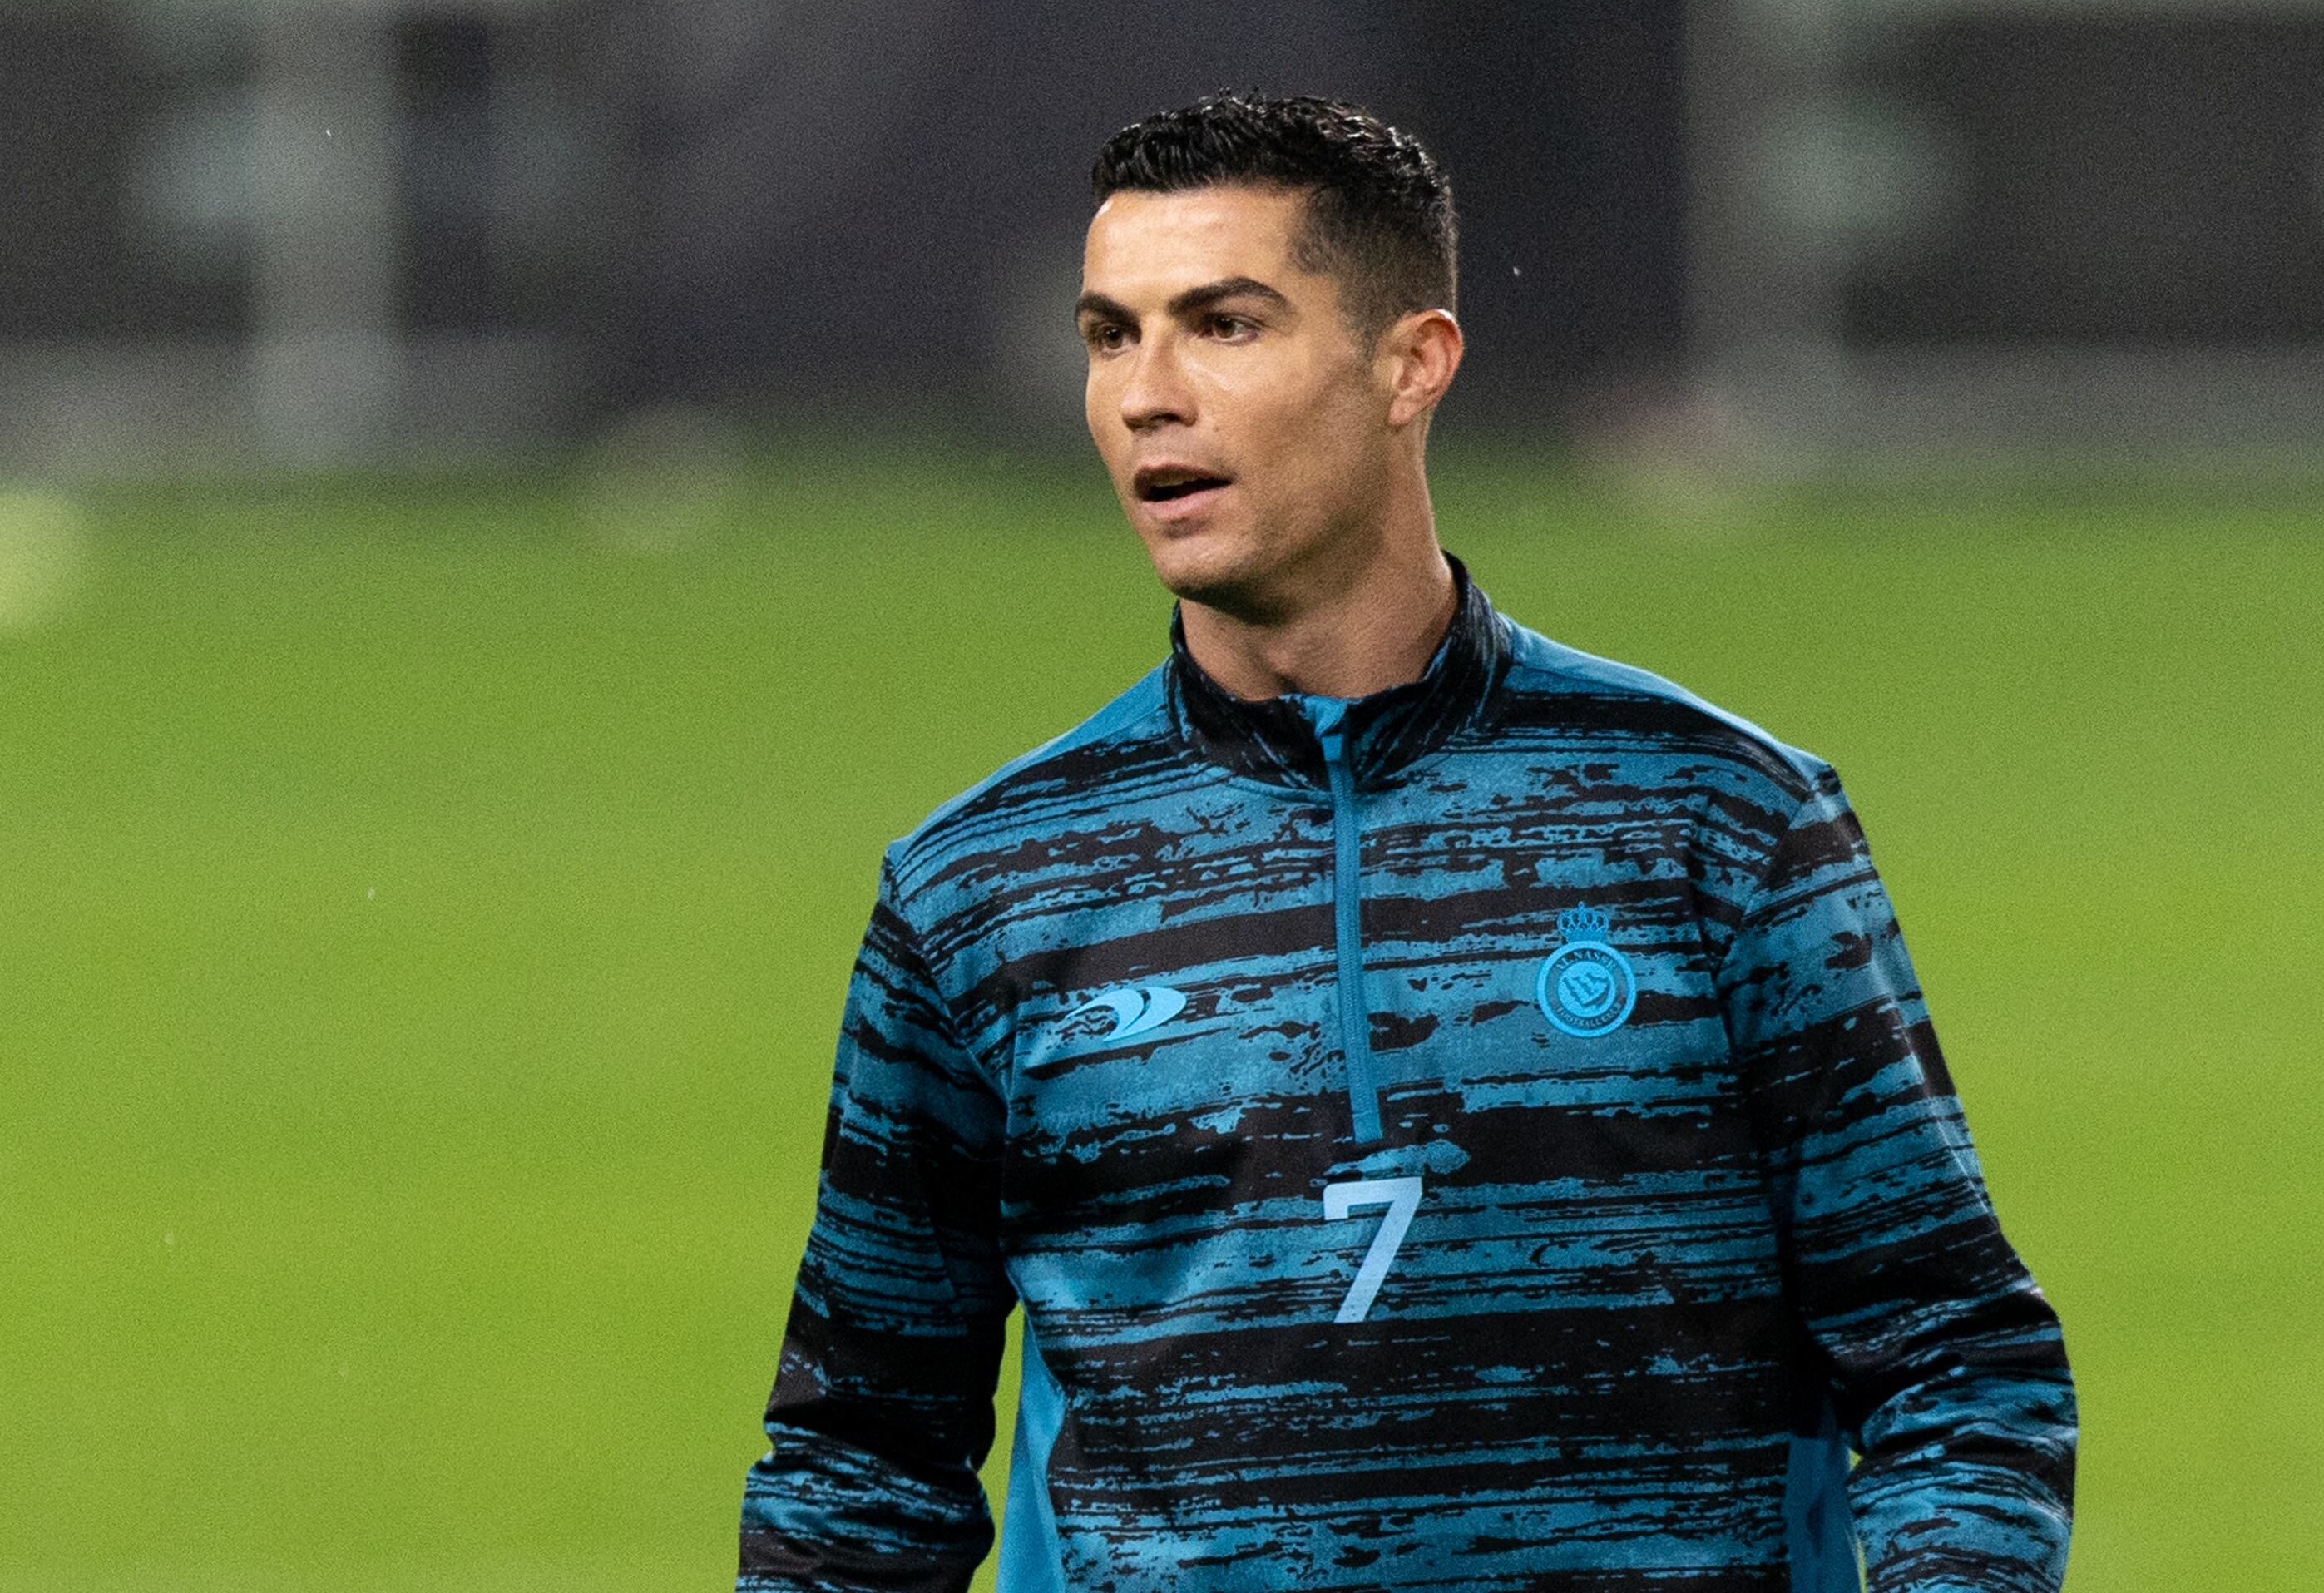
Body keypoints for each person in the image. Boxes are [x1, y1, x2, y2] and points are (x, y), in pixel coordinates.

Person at [738, 92, 2076, 1593]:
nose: (1146, 395)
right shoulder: (984, 891)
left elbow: (1953, 1355)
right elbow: (862, 1460)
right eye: (1111, 335)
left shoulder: (1721, 822)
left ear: (1411, 363)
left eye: (1225, 324)